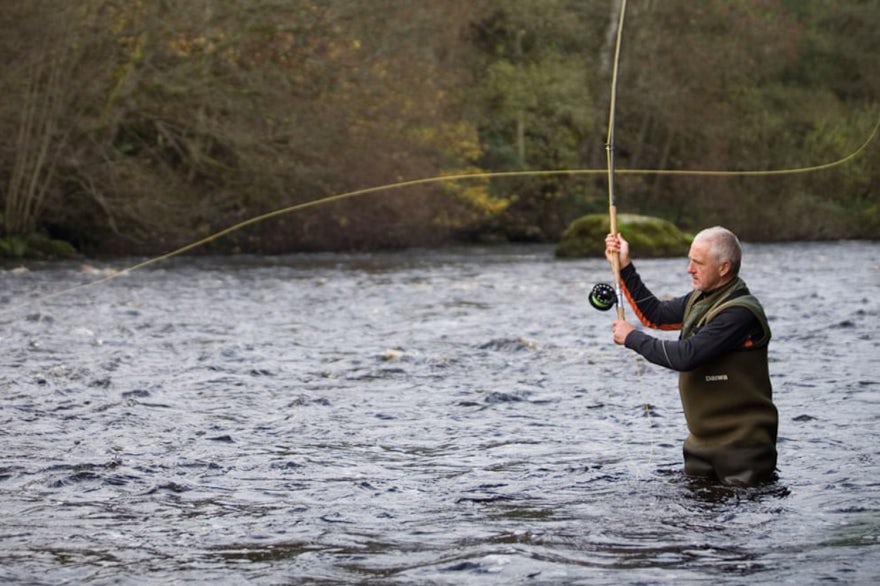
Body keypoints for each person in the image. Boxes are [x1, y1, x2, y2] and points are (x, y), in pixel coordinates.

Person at [604, 226, 778, 486]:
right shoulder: (700, 299)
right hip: (700, 449)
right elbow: (655, 315)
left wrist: (632, 338)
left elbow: (687, 356)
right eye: (690, 260)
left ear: (724, 268)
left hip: (743, 451)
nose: (689, 269)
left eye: (698, 263)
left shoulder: (739, 313)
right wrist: (625, 265)